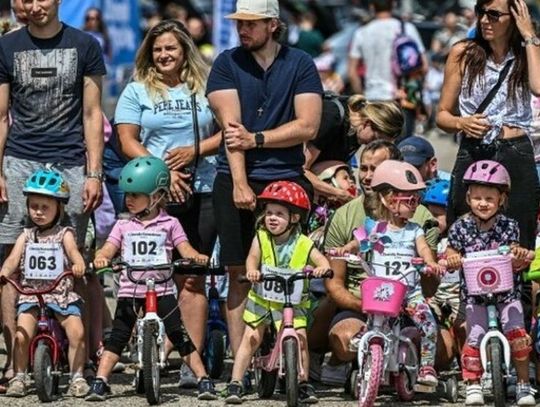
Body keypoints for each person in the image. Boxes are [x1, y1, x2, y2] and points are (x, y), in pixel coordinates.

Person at [206, 0, 323, 358]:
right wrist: (241, 183)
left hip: (286, 177)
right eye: (240, 22)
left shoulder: (300, 62)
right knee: (240, 269)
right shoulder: (226, 62)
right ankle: (244, 361)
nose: (243, 29)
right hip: (235, 174)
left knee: (290, 268)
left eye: (251, 23)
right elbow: (231, 130)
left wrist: (258, 138)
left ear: (273, 24)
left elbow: (308, 125)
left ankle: (291, 354)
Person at [0, 0, 105, 386]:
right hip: (20, 158)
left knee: (75, 256)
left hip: (70, 160)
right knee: (12, 256)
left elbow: (93, 114)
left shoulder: (85, 45)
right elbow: (0, 115)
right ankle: (17, 362)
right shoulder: (8, 47)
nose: (34, 5)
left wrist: (94, 173)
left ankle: (80, 359)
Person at [114, 19, 220, 386]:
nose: (163, 55)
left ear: (185, 50)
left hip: (203, 188)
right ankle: (147, 348)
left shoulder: (206, 87)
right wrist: (163, 173)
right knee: (148, 276)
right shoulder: (136, 90)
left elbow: (226, 131)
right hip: (153, 195)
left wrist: (195, 150)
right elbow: (126, 139)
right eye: (157, 49)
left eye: (171, 48)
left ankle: (192, 363)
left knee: (191, 278)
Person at [85, 156, 217, 401]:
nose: (129, 200)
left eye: (136, 194)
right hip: (130, 291)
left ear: (156, 196)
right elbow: (108, 248)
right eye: (127, 195)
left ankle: (203, 379)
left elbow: (185, 249)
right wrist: (102, 257)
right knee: (117, 337)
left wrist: (197, 257)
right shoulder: (123, 226)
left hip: (163, 290)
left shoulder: (170, 223)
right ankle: (101, 381)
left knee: (180, 335)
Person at [317, 141, 441, 386]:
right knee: (350, 338)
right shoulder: (361, 221)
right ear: (387, 198)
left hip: (409, 293)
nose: (368, 176)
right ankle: (349, 362)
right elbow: (357, 242)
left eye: (376, 169)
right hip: (374, 296)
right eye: (363, 168)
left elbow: (426, 256)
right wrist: (345, 250)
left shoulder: (419, 223)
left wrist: (430, 265)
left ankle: (426, 367)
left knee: (432, 334)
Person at [436, 0, 540, 252]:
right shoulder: (463, 53)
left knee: (520, 238)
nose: (484, 20)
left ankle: (519, 291)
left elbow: (538, 87)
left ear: (515, 18)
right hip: (474, 149)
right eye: (481, 12)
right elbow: (441, 116)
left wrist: (529, 36)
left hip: (515, 150)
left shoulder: (528, 52)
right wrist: (462, 122)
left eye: (494, 14)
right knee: (463, 229)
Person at [224, 181, 331, 404]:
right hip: (263, 297)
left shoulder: (303, 242)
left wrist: (323, 267)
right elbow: (253, 257)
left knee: (301, 339)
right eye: (269, 212)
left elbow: (320, 259)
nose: (272, 218)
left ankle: (302, 382)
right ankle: (236, 382)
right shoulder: (261, 236)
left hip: (291, 301)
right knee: (251, 337)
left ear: (294, 218)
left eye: (279, 214)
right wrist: (252, 270)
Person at [444, 160, 536, 406]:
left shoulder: (509, 225)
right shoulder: (460, 227)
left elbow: (516, 250)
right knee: (473, 337)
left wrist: (519, 254)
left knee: (518, 335)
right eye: (477, 198)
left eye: (489, 198)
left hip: (507, 293)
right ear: (468, 198)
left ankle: (523, 384)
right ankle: (473, 383)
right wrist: (451, 259)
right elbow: (450, 254)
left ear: (502, 200)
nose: (483, 203)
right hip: (475, 296)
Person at [0, 170, 88, 397]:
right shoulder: (26, 235)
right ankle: (19, 376)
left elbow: (73, 253)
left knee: (76, 331)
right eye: (34, 206)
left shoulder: (64, 234)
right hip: (31, 294)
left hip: (60, 293)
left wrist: (78, 264)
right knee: (21, 334)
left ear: (59, 208)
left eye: (45, 207)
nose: (38, 212)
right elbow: (12, 260)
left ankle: (77, 377)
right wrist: (4, 272)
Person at [347, 0, 427, 136]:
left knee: (376, 148)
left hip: (373, 98)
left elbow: (352, 73)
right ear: (394, 4)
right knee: (400, 149)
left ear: (372, 6)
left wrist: (362, 98)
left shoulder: (361, 32)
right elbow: (424, 66)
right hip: (401, 99)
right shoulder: (407, 29)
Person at [305, 96, 404, 204]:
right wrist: (337, 194)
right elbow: (300, 170)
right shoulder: (332, 118)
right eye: (374, 139)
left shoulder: (356, 136)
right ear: (367, 124)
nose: (372, 145)